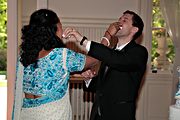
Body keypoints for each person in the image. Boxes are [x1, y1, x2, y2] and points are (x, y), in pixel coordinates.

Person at [12, 9, 97, 120]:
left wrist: (76, 74)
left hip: (27, 114)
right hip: (51, 115)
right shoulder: (61, 55)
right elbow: (96, 58)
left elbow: (43, 77)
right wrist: (104, 37)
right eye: (60, 24)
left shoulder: (24, 56)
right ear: (55, 28)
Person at [63, 10, 148, 120]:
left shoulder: (139, 52)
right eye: (119, 19)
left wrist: (83, 40)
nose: (119, 22)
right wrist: (89, 79)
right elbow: (102, 85)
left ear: (134, 29)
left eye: (124, 20)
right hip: (98, 115)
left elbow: (118, 60)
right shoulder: (110, 53)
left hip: (119, 115)